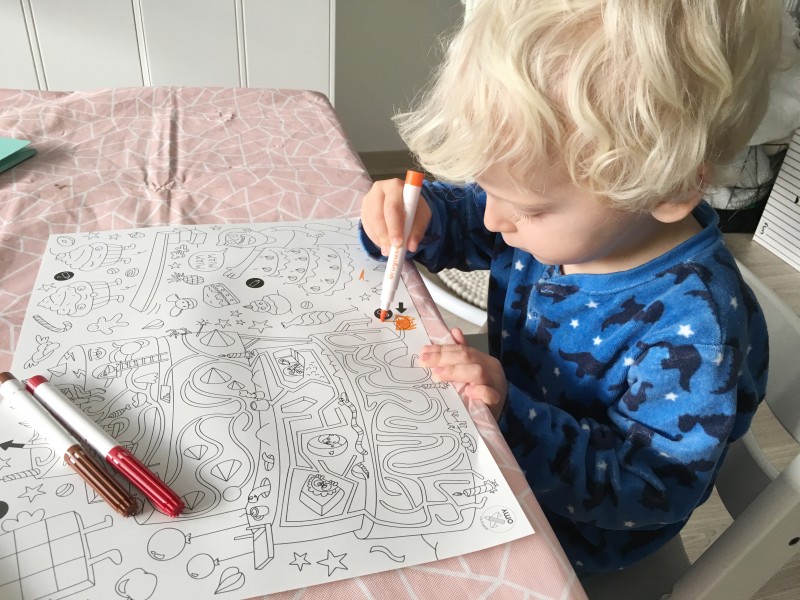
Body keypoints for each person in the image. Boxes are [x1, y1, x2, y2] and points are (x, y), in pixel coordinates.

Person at [359, 0, 783, 576]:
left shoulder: (695, 336)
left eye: (528, 209)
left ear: (669, 187)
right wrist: (416, 217)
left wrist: (510, 415)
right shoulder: (579, 213)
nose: (494, 220)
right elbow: (471, 219)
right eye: (488, 187)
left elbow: (651, 488)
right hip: (502, 439)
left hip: (577, 531)